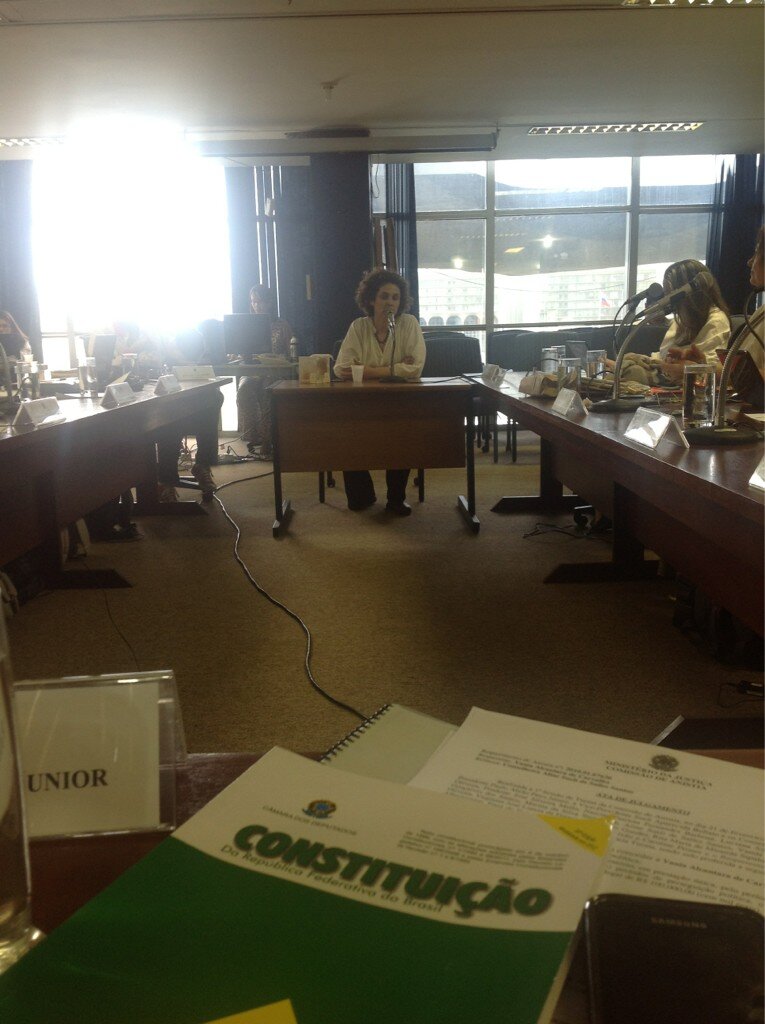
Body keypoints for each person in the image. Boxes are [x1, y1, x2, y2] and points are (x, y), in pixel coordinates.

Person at [333, 268, 426, 516]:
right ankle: (362, 494)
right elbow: (341, 368)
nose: (390, 302)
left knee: (401, 436)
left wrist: (364, 369)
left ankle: (396, 498)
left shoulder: (409, 324)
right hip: (361, 402)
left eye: (395, 297)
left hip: (400, 402)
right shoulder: (358, 327)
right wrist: (393, 369)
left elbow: (415, 368)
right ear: (371, 299)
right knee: (348, 433)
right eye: (384, 296)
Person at [155, 325, 223, 501]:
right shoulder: (159, 343)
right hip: (166, 408)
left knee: (214, 397)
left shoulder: (200, 356)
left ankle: (201, 466)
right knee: (168, 414)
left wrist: (189, 363)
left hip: (190, 410)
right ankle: (166, 479)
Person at [236, 284, 294, 459]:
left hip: (274, 371)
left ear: (269, 302)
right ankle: (253, 436)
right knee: (244, 389)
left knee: (267, 391)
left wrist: (277, 358)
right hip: (253, 371)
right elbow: (240, 351)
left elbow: (291, 353)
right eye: (253, 302)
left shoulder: (282, 325)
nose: (257, 305)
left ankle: (268, 439)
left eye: (260, 301)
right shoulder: (247, 326)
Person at [652, 259, 730, 382]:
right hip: (667, 380)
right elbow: (663, 356)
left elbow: (707, 370)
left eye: (670, 294)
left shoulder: (716, 321)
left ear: (689, 293)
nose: (668, 300)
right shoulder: (680, 321)